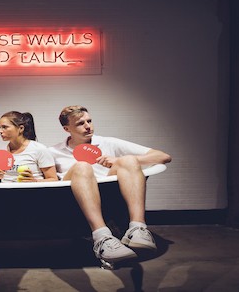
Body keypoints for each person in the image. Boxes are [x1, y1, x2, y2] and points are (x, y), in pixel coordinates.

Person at [48, 105, 172, 263]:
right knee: (82, 166)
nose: (88, 126)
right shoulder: (53, 151)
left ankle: (137, 228)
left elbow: (163, 156)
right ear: (67, 129)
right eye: (80, 123)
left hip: (111, 197)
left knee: (128, 160)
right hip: (71, 202)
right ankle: (102, 237)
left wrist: (117, 160)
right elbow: (45, 178)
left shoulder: (108, 143)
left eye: (89, 121)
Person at [0, 111, 58, 183]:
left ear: (21, 128)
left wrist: (34, 181)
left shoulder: (39, 149)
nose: (0, 131)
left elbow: (53, 179)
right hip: (5, 191)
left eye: (4, 127)